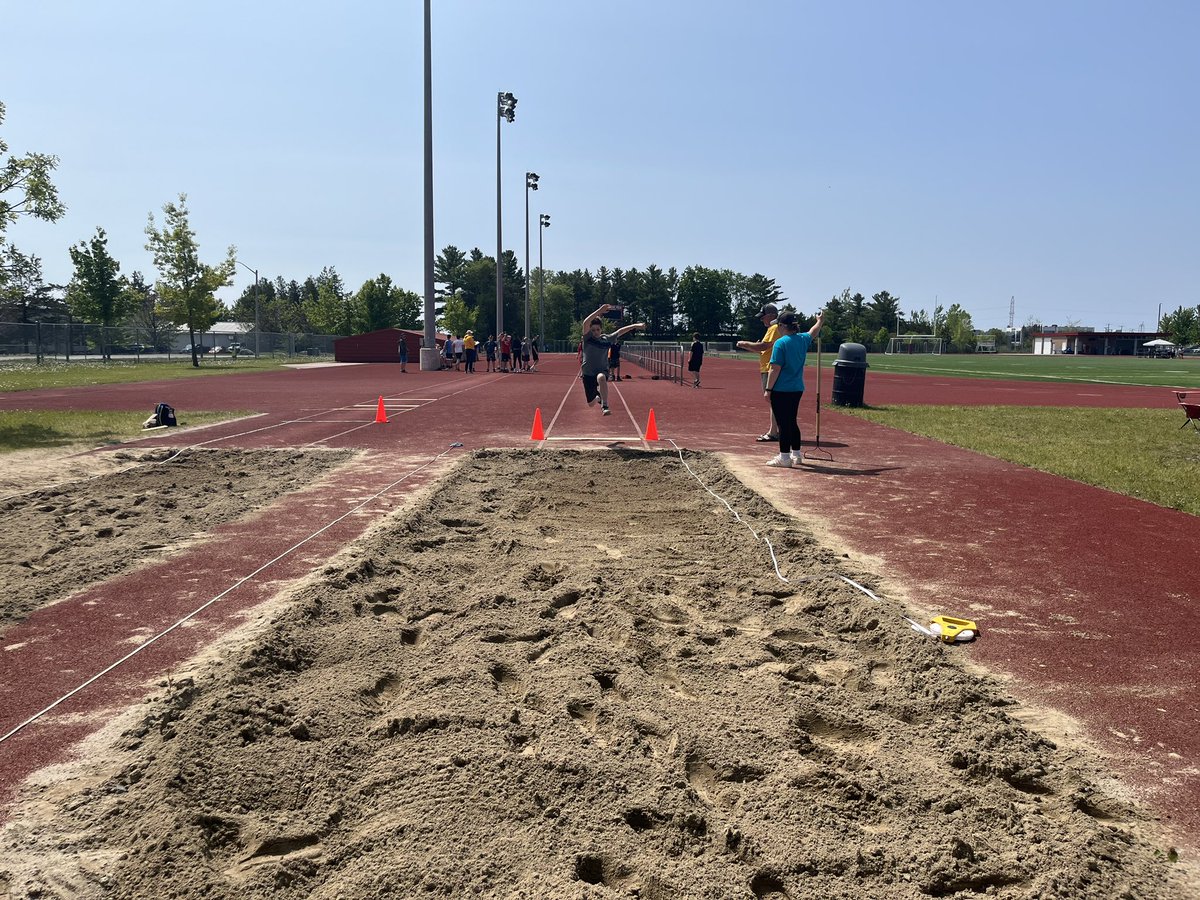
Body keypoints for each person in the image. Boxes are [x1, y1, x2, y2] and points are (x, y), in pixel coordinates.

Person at [763, 309, 824, 468]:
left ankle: (784, 457)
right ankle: (796, 454)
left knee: (783, 424)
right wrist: (820, 321)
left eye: (778, 326)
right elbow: (813, 332)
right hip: (797, 388)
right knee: (792, 421)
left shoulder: (780, 343)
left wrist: (768, 390)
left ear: (783, 326)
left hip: (781, 389)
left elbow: (774, 368)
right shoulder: (802, 339)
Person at [580, 304, 644, 415]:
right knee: (591, 403)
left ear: (601, 329)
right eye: (593, 330)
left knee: (601, 377)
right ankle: (598, 398)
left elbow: (621, 331)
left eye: (597, 330)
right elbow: (585, 322)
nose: (595, 332)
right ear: (590, 330)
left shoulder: (607, 339)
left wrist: (635, 325)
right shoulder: (588, 338)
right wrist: (599, 311)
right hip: (588, 373)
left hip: (602, 370)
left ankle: (605, 406)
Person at [736, 303, 783, 442]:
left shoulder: (774, 328)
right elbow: (762, 349)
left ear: (771, 316)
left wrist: (744, 343)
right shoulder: (776, 328)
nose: (761, 320)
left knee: (773, 400)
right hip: (769, 367)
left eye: (763, 317)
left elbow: (763, 346)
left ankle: (774, 432)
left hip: (769, 369)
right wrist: (751, 346)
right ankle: (777, 430)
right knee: (775, 401)